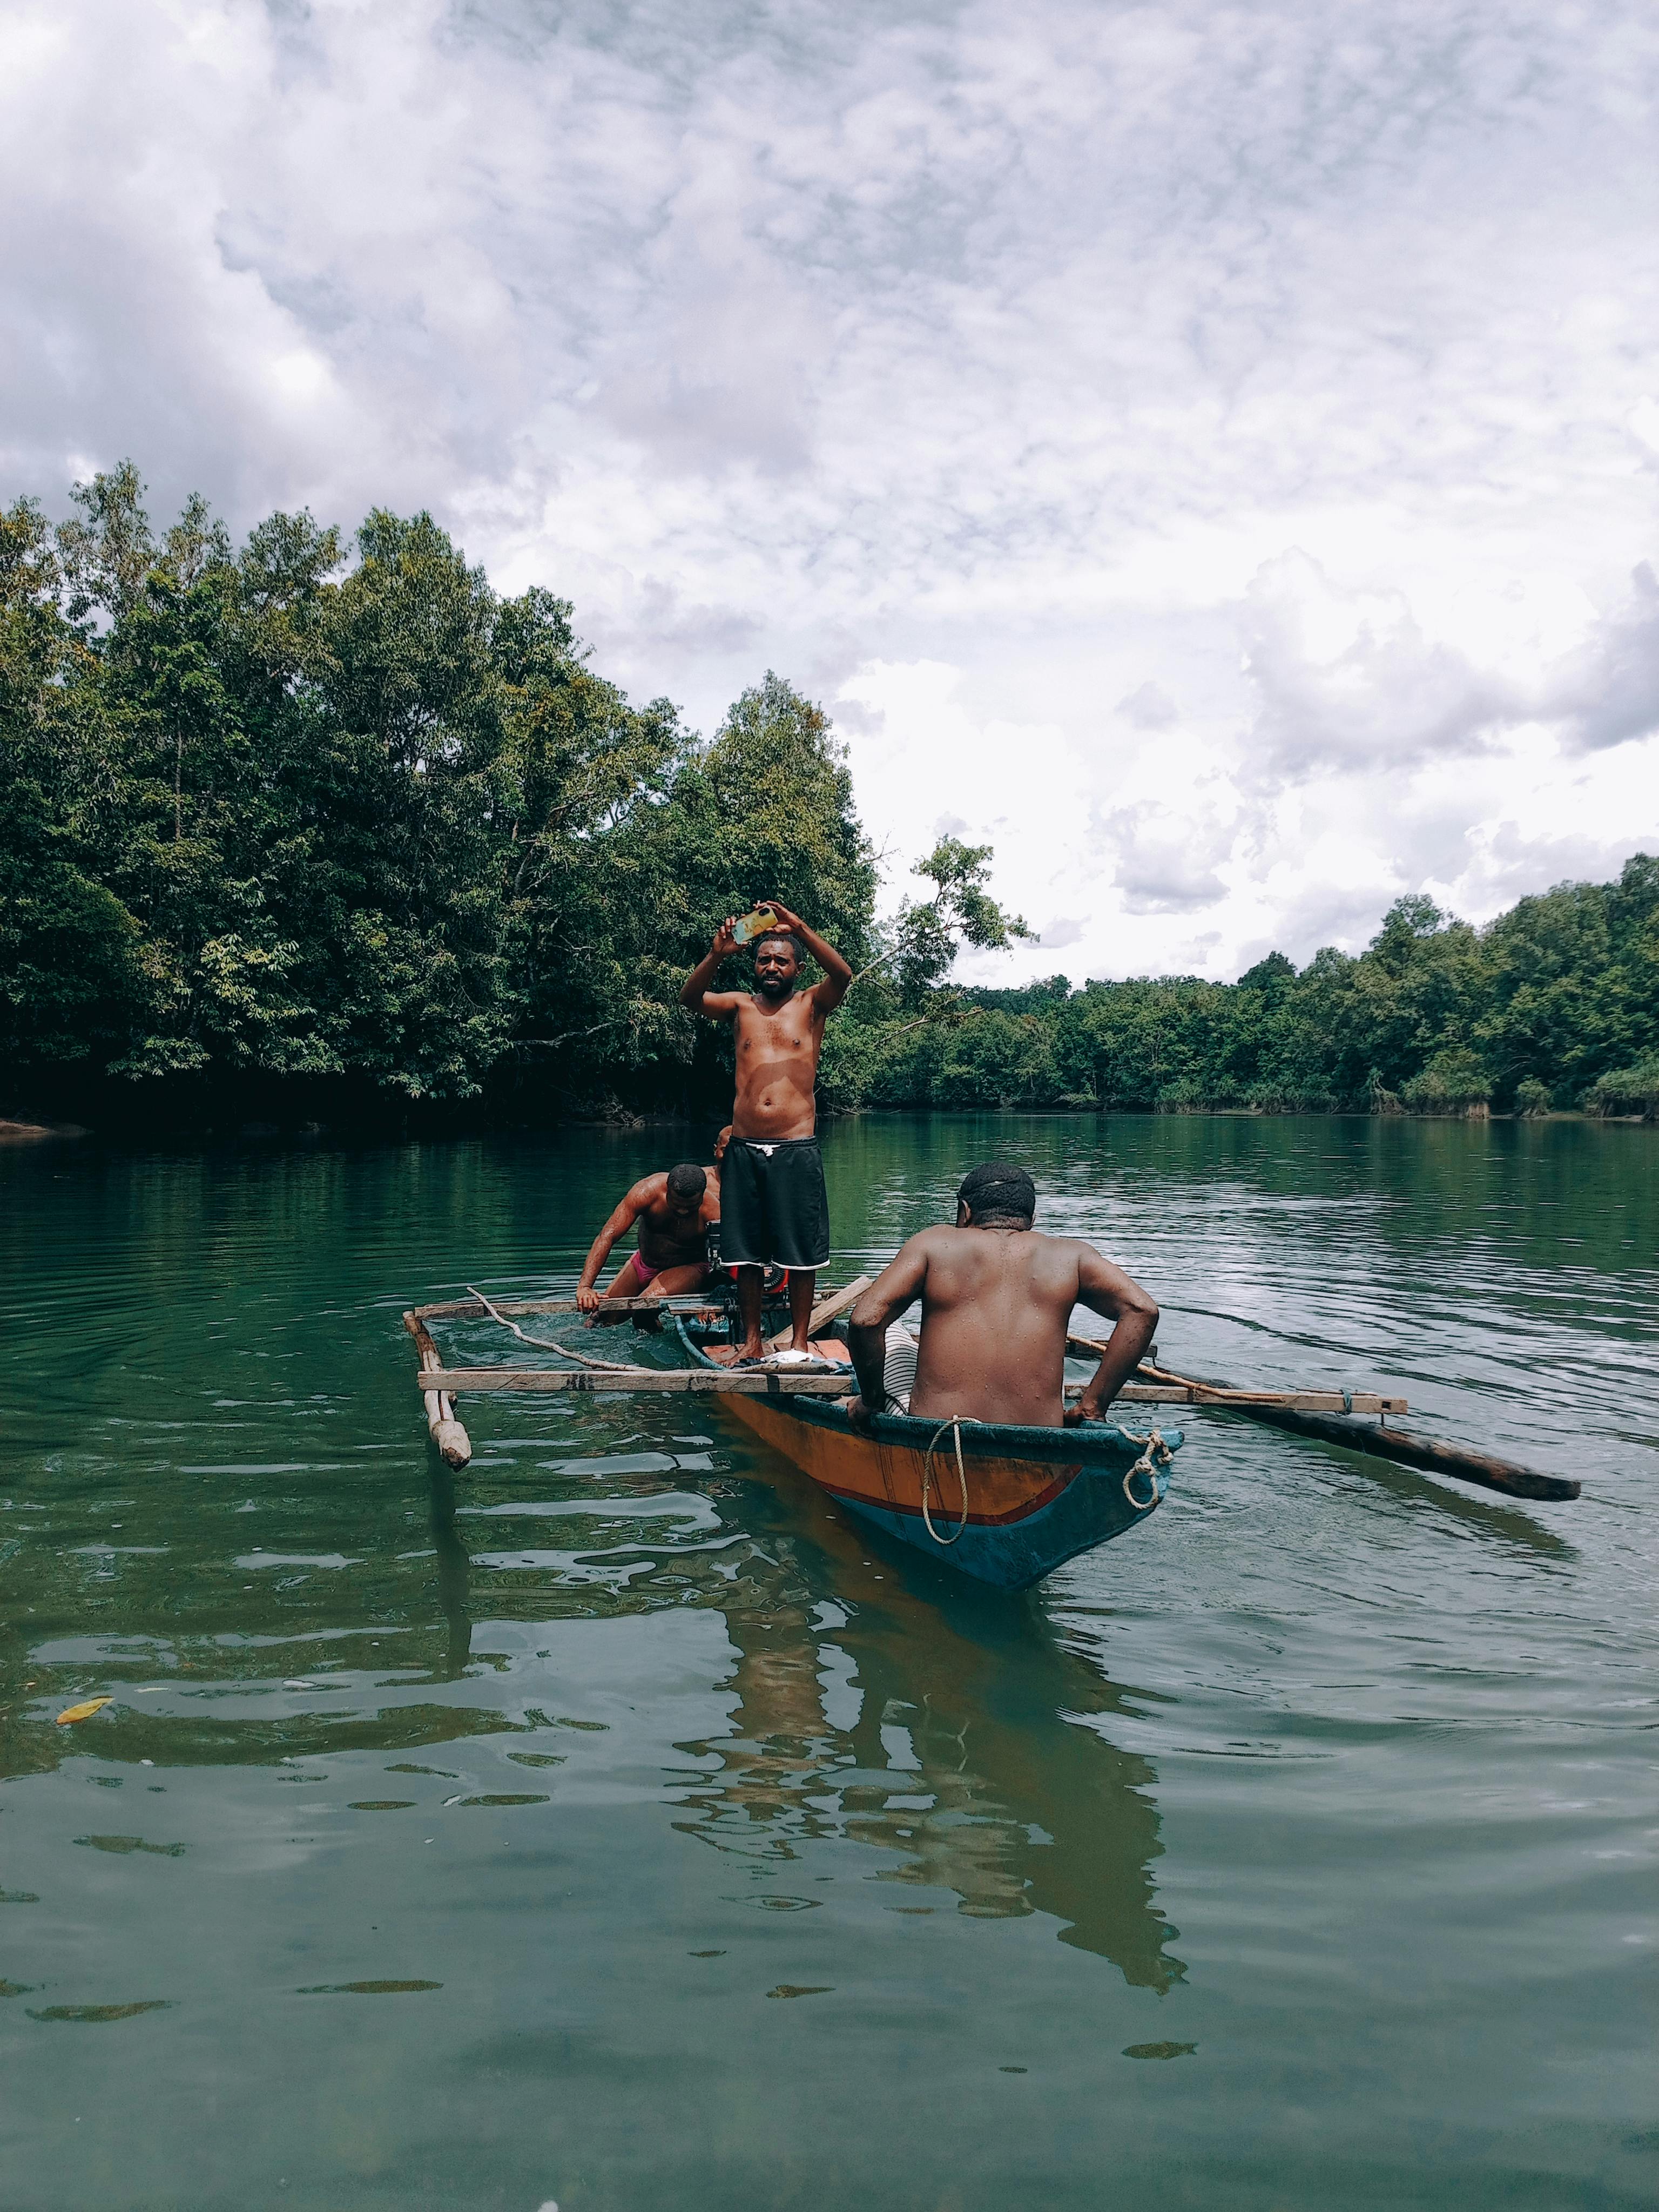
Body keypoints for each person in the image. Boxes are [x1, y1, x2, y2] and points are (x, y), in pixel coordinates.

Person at [843, 1162, 1158, 1430]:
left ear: (965, 1212)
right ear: (1031, 1220)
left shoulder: (934, 1244)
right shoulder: (1071, 1256)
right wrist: (1092, 1406)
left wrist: (870, 1401)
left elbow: (866, 1321)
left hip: (941, 1434)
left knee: (896, 1336)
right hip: (1040, 1436)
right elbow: (1142, 1310)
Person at [680, 899, 852, 1361]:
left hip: (796, 1147)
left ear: (797, 968)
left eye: (782, 960)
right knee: (745, 1253)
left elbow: (843, 975)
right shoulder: (740, 1006)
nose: (772, 967)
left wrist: (799, 925)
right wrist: (716, 954)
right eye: (764, 960)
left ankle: (799, 1344)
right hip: (744, 1149)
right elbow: (690, 999)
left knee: (802, 1253)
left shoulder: (811, 1005)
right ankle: (753, 1342)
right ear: (754, 965)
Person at [574, 1158, 723, 1316]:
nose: (683, 1211)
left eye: (691, 1206)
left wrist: (713, 1302)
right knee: (599, 1320)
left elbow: (728, 1259)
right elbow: (607, 1236)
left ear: (702, 1195)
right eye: (677, 1204)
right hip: (645, 1263)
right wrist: (585, 1287)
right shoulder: (646, 1192)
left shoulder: (714, 1212)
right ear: (667, 1190)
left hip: (690, 1269)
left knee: (643, 1310)